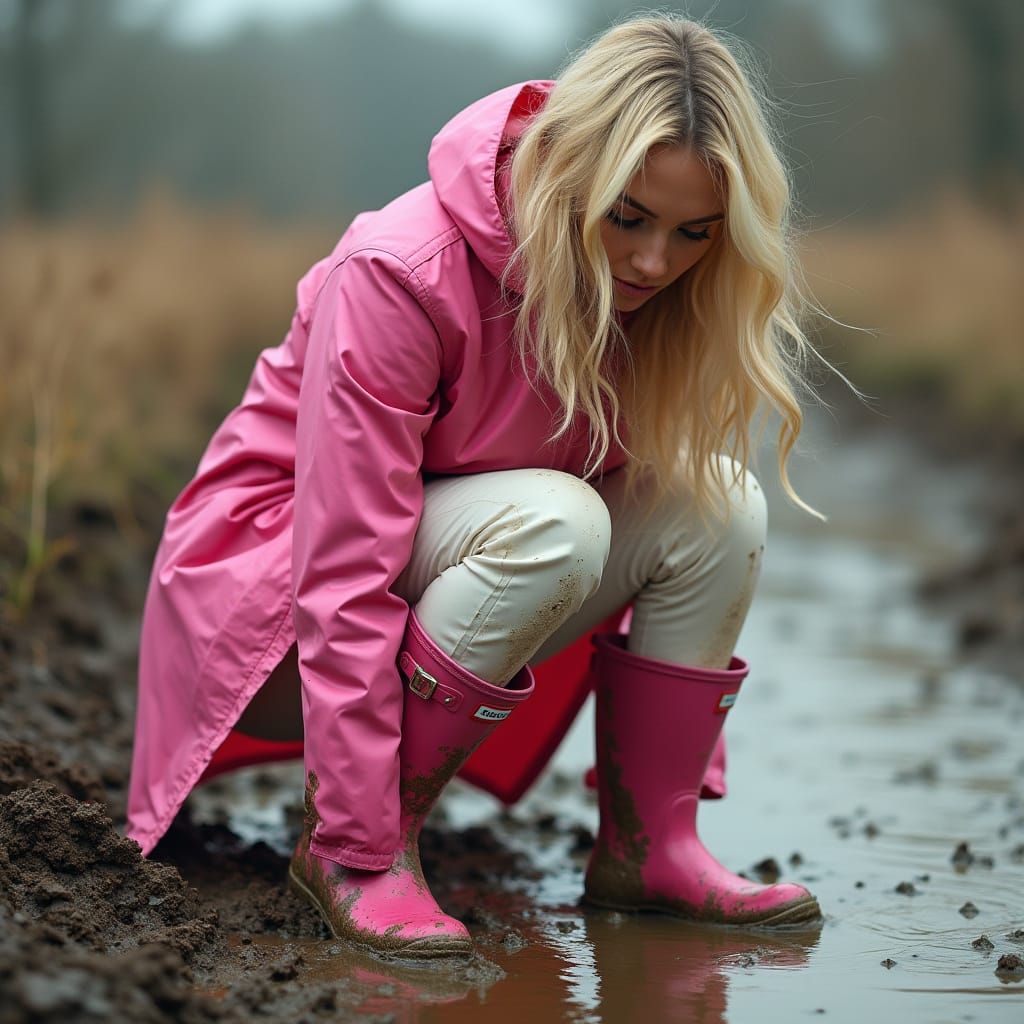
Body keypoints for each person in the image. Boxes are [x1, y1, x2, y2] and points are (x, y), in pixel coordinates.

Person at [127, 14, 841, 958]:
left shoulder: (655, 297)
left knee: (720, 501)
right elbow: (341, 570)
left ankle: (651, 850)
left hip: (457, 575)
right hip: (272, 617)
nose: (653, 262)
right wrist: (351, 838)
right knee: (560, 520)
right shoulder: (400, 270)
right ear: (568, 170)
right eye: (627, 217)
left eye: (693, 234)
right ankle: (361, 852)